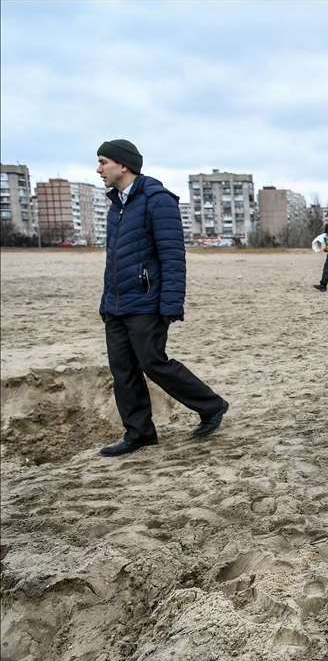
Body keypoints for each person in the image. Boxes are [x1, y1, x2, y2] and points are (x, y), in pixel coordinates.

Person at [96, 139, 229, 457]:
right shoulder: (116, 205)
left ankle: (211, 405)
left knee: (152, 362)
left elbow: (172, 257)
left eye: (103, 162)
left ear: (123, 165)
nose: (99, 169)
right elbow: (115, 260)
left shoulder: (158, 200)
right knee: (123, 370)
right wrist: (106, 302)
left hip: (147, 301)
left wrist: (171, 303)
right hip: (116, 304)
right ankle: (139, 433)